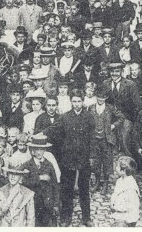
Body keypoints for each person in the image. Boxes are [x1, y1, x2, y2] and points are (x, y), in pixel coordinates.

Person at [48, 88, 95, 226]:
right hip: (68, 158)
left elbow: (93, 138)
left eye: (79, 101)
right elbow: (53, 129)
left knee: (84, 189)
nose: (76, 104)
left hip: (84, 158)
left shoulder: (89, 117)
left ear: (83, 101)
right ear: (70, 102)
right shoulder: (65, 117)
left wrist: (91, 156)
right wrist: (39, 134)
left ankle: (86, 217)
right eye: (74, 101)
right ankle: (66, 217)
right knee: (67, 189)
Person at [88, 86, 125, 194]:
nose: (100, 99)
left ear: (106, 97)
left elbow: (121, 117)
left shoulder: (110, 108)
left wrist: (113, 125)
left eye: (103, 97)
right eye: (99, 97)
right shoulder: (90, 108)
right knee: (96, 162)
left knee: (107, 162)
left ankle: (105, 184)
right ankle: (97, 181)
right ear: (96, 97)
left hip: (106, 139)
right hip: (94, 139)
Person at [22, 133, 59, 227]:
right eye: (36, 149)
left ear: (44, 150)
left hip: (47, 203)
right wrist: (39, 178)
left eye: (41, 149)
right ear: (32, 150)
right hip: (32, 203)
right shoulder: (27, 165)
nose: (39, 152)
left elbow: (55, 185)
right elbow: (23, 183)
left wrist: (56, 204)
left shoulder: (49, 164)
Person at [109, 156, 141, 227]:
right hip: (120, 215)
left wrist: (116, 208)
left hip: (128, 218)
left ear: (123, 171)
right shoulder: (120, 180)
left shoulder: (131, 187)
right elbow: (116, 193)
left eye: (117, 167)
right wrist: (112, 202)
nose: (115, 169)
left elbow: (131, 206)